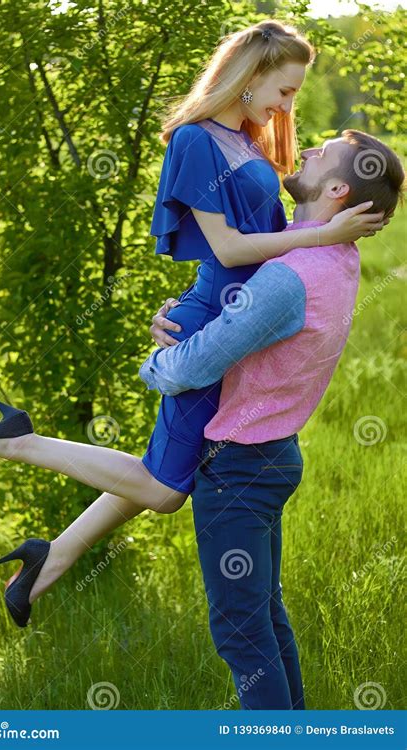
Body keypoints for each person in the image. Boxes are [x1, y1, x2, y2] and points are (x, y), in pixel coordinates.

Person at [0, 21, 386, 629]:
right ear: (251, 74)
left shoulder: (249, 140)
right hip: (215, 322)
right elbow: (230, 249)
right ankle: (15, 441)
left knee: (167, 470)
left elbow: (255, 250)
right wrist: (326, 234)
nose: (289, 105)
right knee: (163, 489)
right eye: (285, 91)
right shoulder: (195, 141)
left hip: (231, 315)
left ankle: (52, 556)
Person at [139, 129, 405, 709]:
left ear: (336, 187)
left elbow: (196, 365)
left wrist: (156, 359)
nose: (305, 149)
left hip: (238, 467)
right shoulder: (328, 254)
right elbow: (230, 285)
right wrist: (181, 312)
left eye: (322, 151)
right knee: (264, 616)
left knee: (241, 629)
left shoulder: (294, 272)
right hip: (268, 458)